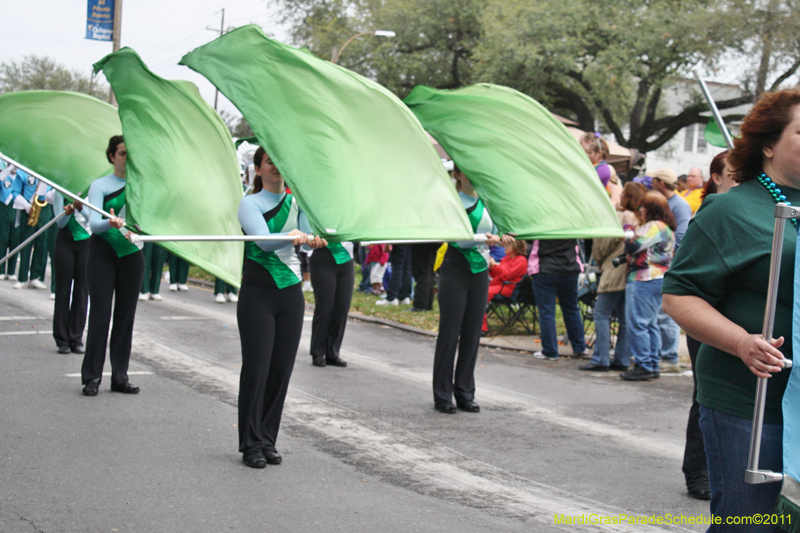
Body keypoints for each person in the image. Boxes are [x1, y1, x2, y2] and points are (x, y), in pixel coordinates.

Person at [663, 89, 800, 530]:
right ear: (768, 144)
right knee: (749, 524)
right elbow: (679, 294)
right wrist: (741, 342)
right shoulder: (730, 210)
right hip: (751, 402)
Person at [237, 146, 326, 468]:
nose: (276, 167)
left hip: (290, 294)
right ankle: (250, 444)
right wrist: (294, 236)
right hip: (258, 293)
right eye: (269, 161)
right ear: (258, 168)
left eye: (280, 161)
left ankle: (267, 439)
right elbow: (263, 241)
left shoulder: (296, 202)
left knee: (281, 370)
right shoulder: (250, 203)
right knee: (257, 369)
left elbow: (309, 232)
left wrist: (314, 239)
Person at [433, 165, 511, 414]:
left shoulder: (488, 202)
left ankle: (465, 393)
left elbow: (499, 231)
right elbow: (456, 237)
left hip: (480, 273)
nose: (474, 176)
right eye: (467, 171)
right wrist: (485, 238)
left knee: (472, 334)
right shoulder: (453, 201)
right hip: (455, 270)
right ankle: (442, 396)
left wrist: (503, 237)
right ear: (457, 175)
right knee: (450, 333)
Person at [680, 151, 733, 502]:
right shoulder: (710, 213)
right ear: (716, 177)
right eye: (734, 173)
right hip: (706, 314)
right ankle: (696, 471)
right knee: (706, 394)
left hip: (735, 319)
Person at [81, 135, 145, 396]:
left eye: (130, 153)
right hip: (102, 254)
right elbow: (94, 223)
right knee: (100, 316)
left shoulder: (141, 187)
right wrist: (111, 222)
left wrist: (141, 230)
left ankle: (120, 376)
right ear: (111, 157)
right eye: (122, 153)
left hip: (132, 256)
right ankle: (92, 377)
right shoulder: (100, 186)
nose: (126, 158)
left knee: (125, 318)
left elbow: (149, 223)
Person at [579, 184, 645, 371]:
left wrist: (599, 260)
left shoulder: (617, 217)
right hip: (632, 272)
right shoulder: (642, 219)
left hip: (613, 269)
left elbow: (602, 244)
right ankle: (622, 358)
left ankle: (600, 358)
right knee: (624, 319)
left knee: (601, 313)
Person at [620, 191, 675, 381]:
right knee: (650, 323)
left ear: (651, 209)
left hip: (644, 278)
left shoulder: (653, 226)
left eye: (643, 206)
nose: (640, 209)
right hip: (658, 278)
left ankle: (643, 364)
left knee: (638, 322)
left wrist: (627, 227)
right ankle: (651, 362)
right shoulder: (666, 228)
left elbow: (632, 246)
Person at [650, 167, 693, 373]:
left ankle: (670, 357)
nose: (650, 182)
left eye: (653, 180)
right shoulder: (669, 202)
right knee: (660, 313)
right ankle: (663, 355)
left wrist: (672, 261)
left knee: (667, 314)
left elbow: (683, 235)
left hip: (670, 264)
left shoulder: (680, 205)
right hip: (663, 264)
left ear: (660, 182)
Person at [529, 237, 588, 361]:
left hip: (544, 267)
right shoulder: (570, 221)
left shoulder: (540, 221)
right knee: (571, 308)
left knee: (546, 311)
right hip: (570, 266)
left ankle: (550, 351)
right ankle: (580, 347)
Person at [52, 193, 90, 354]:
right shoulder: (60, 191)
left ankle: (76, 338)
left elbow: (93, 220)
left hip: (86, 242)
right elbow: (60, 223)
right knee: (63, 289)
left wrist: (80, 209)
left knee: (82, 291)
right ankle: (62, 340)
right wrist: (68, 212)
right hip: (65, 242)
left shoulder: (91, 189)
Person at [309, 241, 353, 367]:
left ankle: (333, 353)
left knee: (342, 308)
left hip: (346, 259)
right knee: (325, 307)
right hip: (323, 257)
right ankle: (317, 352)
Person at [12, 173, 52, 290]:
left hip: (45, 208)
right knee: (25, 243)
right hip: (28, 207)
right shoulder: (24, 171)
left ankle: (35, 276)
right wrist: (26, 205)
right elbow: (15, 192)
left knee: (42, 243)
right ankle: (22, 277)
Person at [481, 239, 527, 334]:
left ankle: (482, 328)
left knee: (481, 296)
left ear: (515, 246)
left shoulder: (521, 260)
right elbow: (497, 275)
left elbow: (507, 275)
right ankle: (478, 325)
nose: (504, 247)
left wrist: (495, 266)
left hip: (510, 288)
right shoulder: (506, 258)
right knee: (478, 293)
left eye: (507, 245)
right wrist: (491, 267)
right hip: (499, 284)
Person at [0, 164, 22, 281]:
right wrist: (8, 170)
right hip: (3, 207)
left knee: (15, 240)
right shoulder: (5, 174)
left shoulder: (20, 178)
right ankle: (1, 269)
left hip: (16, 208)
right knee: (2, 239)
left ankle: (11, 271)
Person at [410, 242, 440, 312]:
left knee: (422, 271)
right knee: (428, 271)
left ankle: (420, 305)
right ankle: (427, 304)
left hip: (422, 240)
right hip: (432, 241)